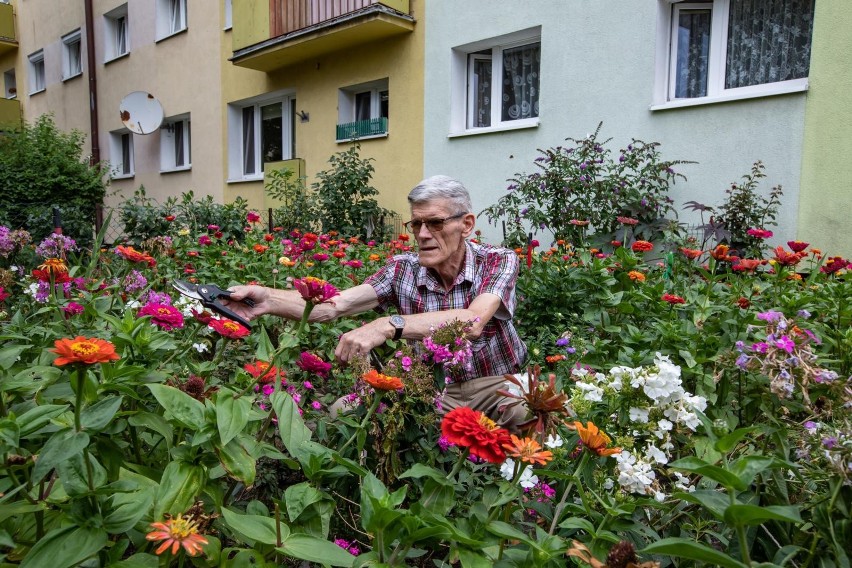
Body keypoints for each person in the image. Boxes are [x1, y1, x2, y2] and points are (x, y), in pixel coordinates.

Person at [225, 175, 529, 430]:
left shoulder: (497, 260)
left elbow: (472, 321)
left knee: (528, 411)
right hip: (430, 388)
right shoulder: (403, 269)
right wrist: (266, 298)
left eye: (435, 223)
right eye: (416, 224)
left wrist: (389, 325)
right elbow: (335, 305)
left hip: (495, 385)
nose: (422, 235)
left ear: (466, 224)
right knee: (342, 412)